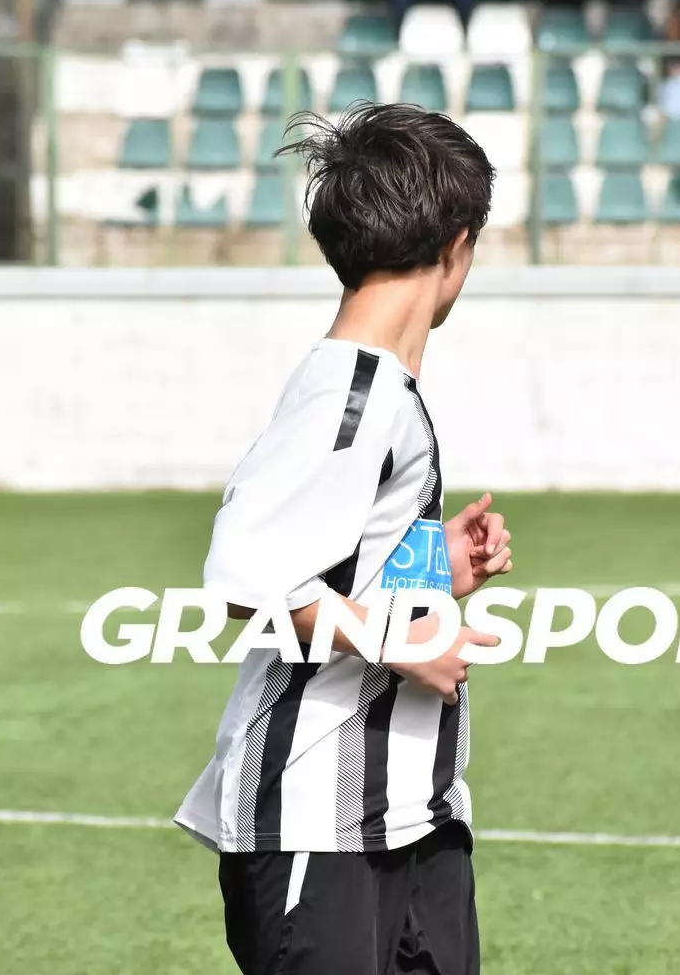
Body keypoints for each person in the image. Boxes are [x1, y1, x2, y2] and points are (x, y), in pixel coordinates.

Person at [173, 103, 513, 975]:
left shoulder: (380, 389)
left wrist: (435, 569)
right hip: (315, 825)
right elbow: (247, 580)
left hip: (410, 815)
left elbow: (329, 565)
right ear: (457, 247)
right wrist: (400, 642)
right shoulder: (349, 395)